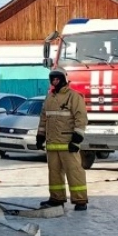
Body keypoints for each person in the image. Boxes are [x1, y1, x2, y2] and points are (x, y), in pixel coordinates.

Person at [35, 67, 90, 211]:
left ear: (64, 79)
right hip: (52, 144)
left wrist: (76, 139)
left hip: (68, 144)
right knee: (54, 173)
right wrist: (40, 136)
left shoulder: (74, 96)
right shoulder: (49, 98)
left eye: (58, 78)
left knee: (74, 172)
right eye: (53, 78)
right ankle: (56, 199)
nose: (55, 81)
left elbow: (81, 118)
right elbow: (43, 119)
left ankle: (80, 200)